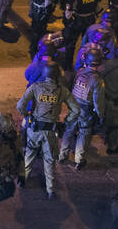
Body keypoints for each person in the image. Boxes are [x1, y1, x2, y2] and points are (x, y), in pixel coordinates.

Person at [17, 62, 79, 199]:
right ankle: (50, 190)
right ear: (57, 75)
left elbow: (20, 105)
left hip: (34, 129)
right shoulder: (62, 91)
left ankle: (22, 181)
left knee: (29, 155)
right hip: (51, 131)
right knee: (50, 160)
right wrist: (66, 121)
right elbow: (76, 110)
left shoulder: (35, 87)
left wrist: (27, 115)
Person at [59, 48, 105, 170]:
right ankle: (79, 159)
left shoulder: (80, 72)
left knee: (68, 131)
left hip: (73, 107)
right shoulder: (97, 80)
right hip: (85, 110)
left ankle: (62, 155)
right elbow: (98, 100)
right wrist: (100, 115)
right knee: (83, 134)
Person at [61, 0, 101, 64]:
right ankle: (86, 62)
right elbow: (98, 8)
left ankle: (68, 65)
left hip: (77, 21)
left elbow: (68, 15)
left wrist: (67, 20)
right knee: (88, 43)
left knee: (70, 43)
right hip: (90, 20)